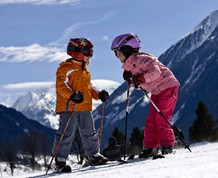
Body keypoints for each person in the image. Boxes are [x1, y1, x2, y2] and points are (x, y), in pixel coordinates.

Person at [111, 33, 180, 158]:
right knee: (151, 120)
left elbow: (155, 72)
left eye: (117, 52)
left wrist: (140, 78)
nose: (116, 55)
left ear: (126, 49)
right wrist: (133, 82)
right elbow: (140, 86)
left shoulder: (144, 59)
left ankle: (167, 146)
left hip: (168, 87)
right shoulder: (130, 67)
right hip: (156, 91)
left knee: (161, 117)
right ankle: (149, 148)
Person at [52, 38, 109, 171]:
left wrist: (99, 94)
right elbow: (60, 86)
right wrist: (72, 95)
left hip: (84, 107)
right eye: (88, 52)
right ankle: (59, 160)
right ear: (77, 52)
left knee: (90, 132)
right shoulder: (65, 68)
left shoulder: (85, 71)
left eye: (91, 52)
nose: (90, 55)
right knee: (66, 133)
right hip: (69, 107)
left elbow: (89, 88)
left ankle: (93, 155)